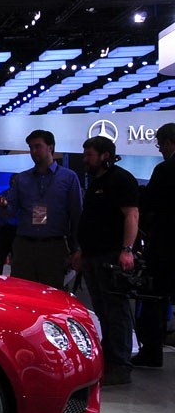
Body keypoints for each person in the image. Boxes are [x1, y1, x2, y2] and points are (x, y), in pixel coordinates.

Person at [71, 136, 139, 386]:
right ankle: (109, 360)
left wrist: (127, 250)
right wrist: (82, 250)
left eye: (89, 155)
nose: (85, 159)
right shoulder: (95, 182)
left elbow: (132, 214)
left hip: (111, 256)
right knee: (103, 311)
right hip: (93, 256)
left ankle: (120, 365)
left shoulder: (121, 179)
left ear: (105, 155)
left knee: (117, 311)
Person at [0, 129, 82, 289]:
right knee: (22, 292)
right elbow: (11, 211)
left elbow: (76, 215)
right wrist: (4, 205)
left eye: (38, 146)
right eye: (31, 147)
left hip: (54, 246)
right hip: (24, 246)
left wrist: (76, 249)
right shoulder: (22, 178)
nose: (33, 151)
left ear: (50, 147)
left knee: (52, 294)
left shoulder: (68, 177)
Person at [133, 122, 175, 369]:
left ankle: (151, 353)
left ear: (169, 143)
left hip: (165, 246)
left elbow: (149, 204)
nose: (160, 150)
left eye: (160, 145)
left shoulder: (165, 169)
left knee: (153, 298)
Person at [0, 173, 19, 275]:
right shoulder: (4, 195)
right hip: (8, 230)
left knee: (5, 261)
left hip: (14, 230)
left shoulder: (5, 194)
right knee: (1, 260)